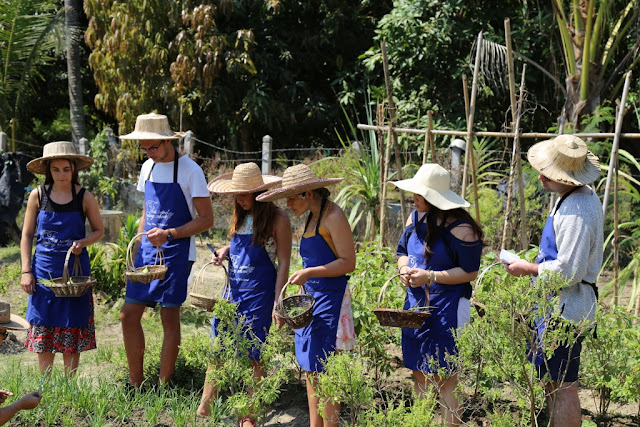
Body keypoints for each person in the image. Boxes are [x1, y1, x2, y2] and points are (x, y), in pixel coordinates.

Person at [504, 135, 602, 427]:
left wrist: (529, 268)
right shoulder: (569, 199)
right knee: (552, 382)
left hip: (566, 308)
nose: (541, 177)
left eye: (548, 173)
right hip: (553, 305)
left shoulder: (577, 210)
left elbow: (570, 271)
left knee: (563, 386)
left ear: (568, 178)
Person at [257, 164, 356, 427]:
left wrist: (310, 272)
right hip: (312, 300)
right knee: (312, 368)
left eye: (291, 197)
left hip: (331, 301)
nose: (288, 204)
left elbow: (348, 263)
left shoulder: (333, 216)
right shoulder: (311, 217)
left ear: (308, 193)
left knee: (327, 369)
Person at [119, 113, 214, 387]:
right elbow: (147, 211)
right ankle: (135, 384)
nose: (149, 153)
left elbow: (206, 219)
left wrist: (170, 233)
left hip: (178, 253)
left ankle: (163, 386)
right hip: (147, 253)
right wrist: (138, 248)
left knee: (168, 317)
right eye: (144, 148)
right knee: (128, 314)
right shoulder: (147, 168)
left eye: (154, 147)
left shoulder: (190, 170)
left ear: (168, 141)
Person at [389, 163, 483, 427]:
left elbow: (469, 272)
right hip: (416, 304)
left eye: (420, 195)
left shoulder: (462, 228)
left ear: (435, 199)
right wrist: (405, 268)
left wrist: (430, 276)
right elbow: (401, 252)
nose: (414, 198)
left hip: (448, 308)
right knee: (418, 372)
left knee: (445, 378)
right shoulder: (415, 217)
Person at [197, 163, 291, 425]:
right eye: (237, 193)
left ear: (261, 192)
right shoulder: (240, 216)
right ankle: (205, 405)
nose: (240, 198)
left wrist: (278, 301)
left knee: (253, 354)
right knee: (218, 347)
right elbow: (241, 245)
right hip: (232, 292)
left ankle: (248, 414)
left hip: (260, 295)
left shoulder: (278, 219)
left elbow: (283, 261)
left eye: (246, 193)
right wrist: (226, 250)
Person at [20, 141, 105, 374]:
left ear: (73, 169)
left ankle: (70, 389)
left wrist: (83, 243)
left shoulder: (84, 197)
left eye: (66, 169)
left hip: (75, 275)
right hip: (44, 272)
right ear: (48, 170)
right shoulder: (38, 196)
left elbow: (99, 230)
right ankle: (44, 388)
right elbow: (27, 235)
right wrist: (26, 271)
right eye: (56, 170)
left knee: (72, 324)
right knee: (44, 324)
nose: (61, 175)